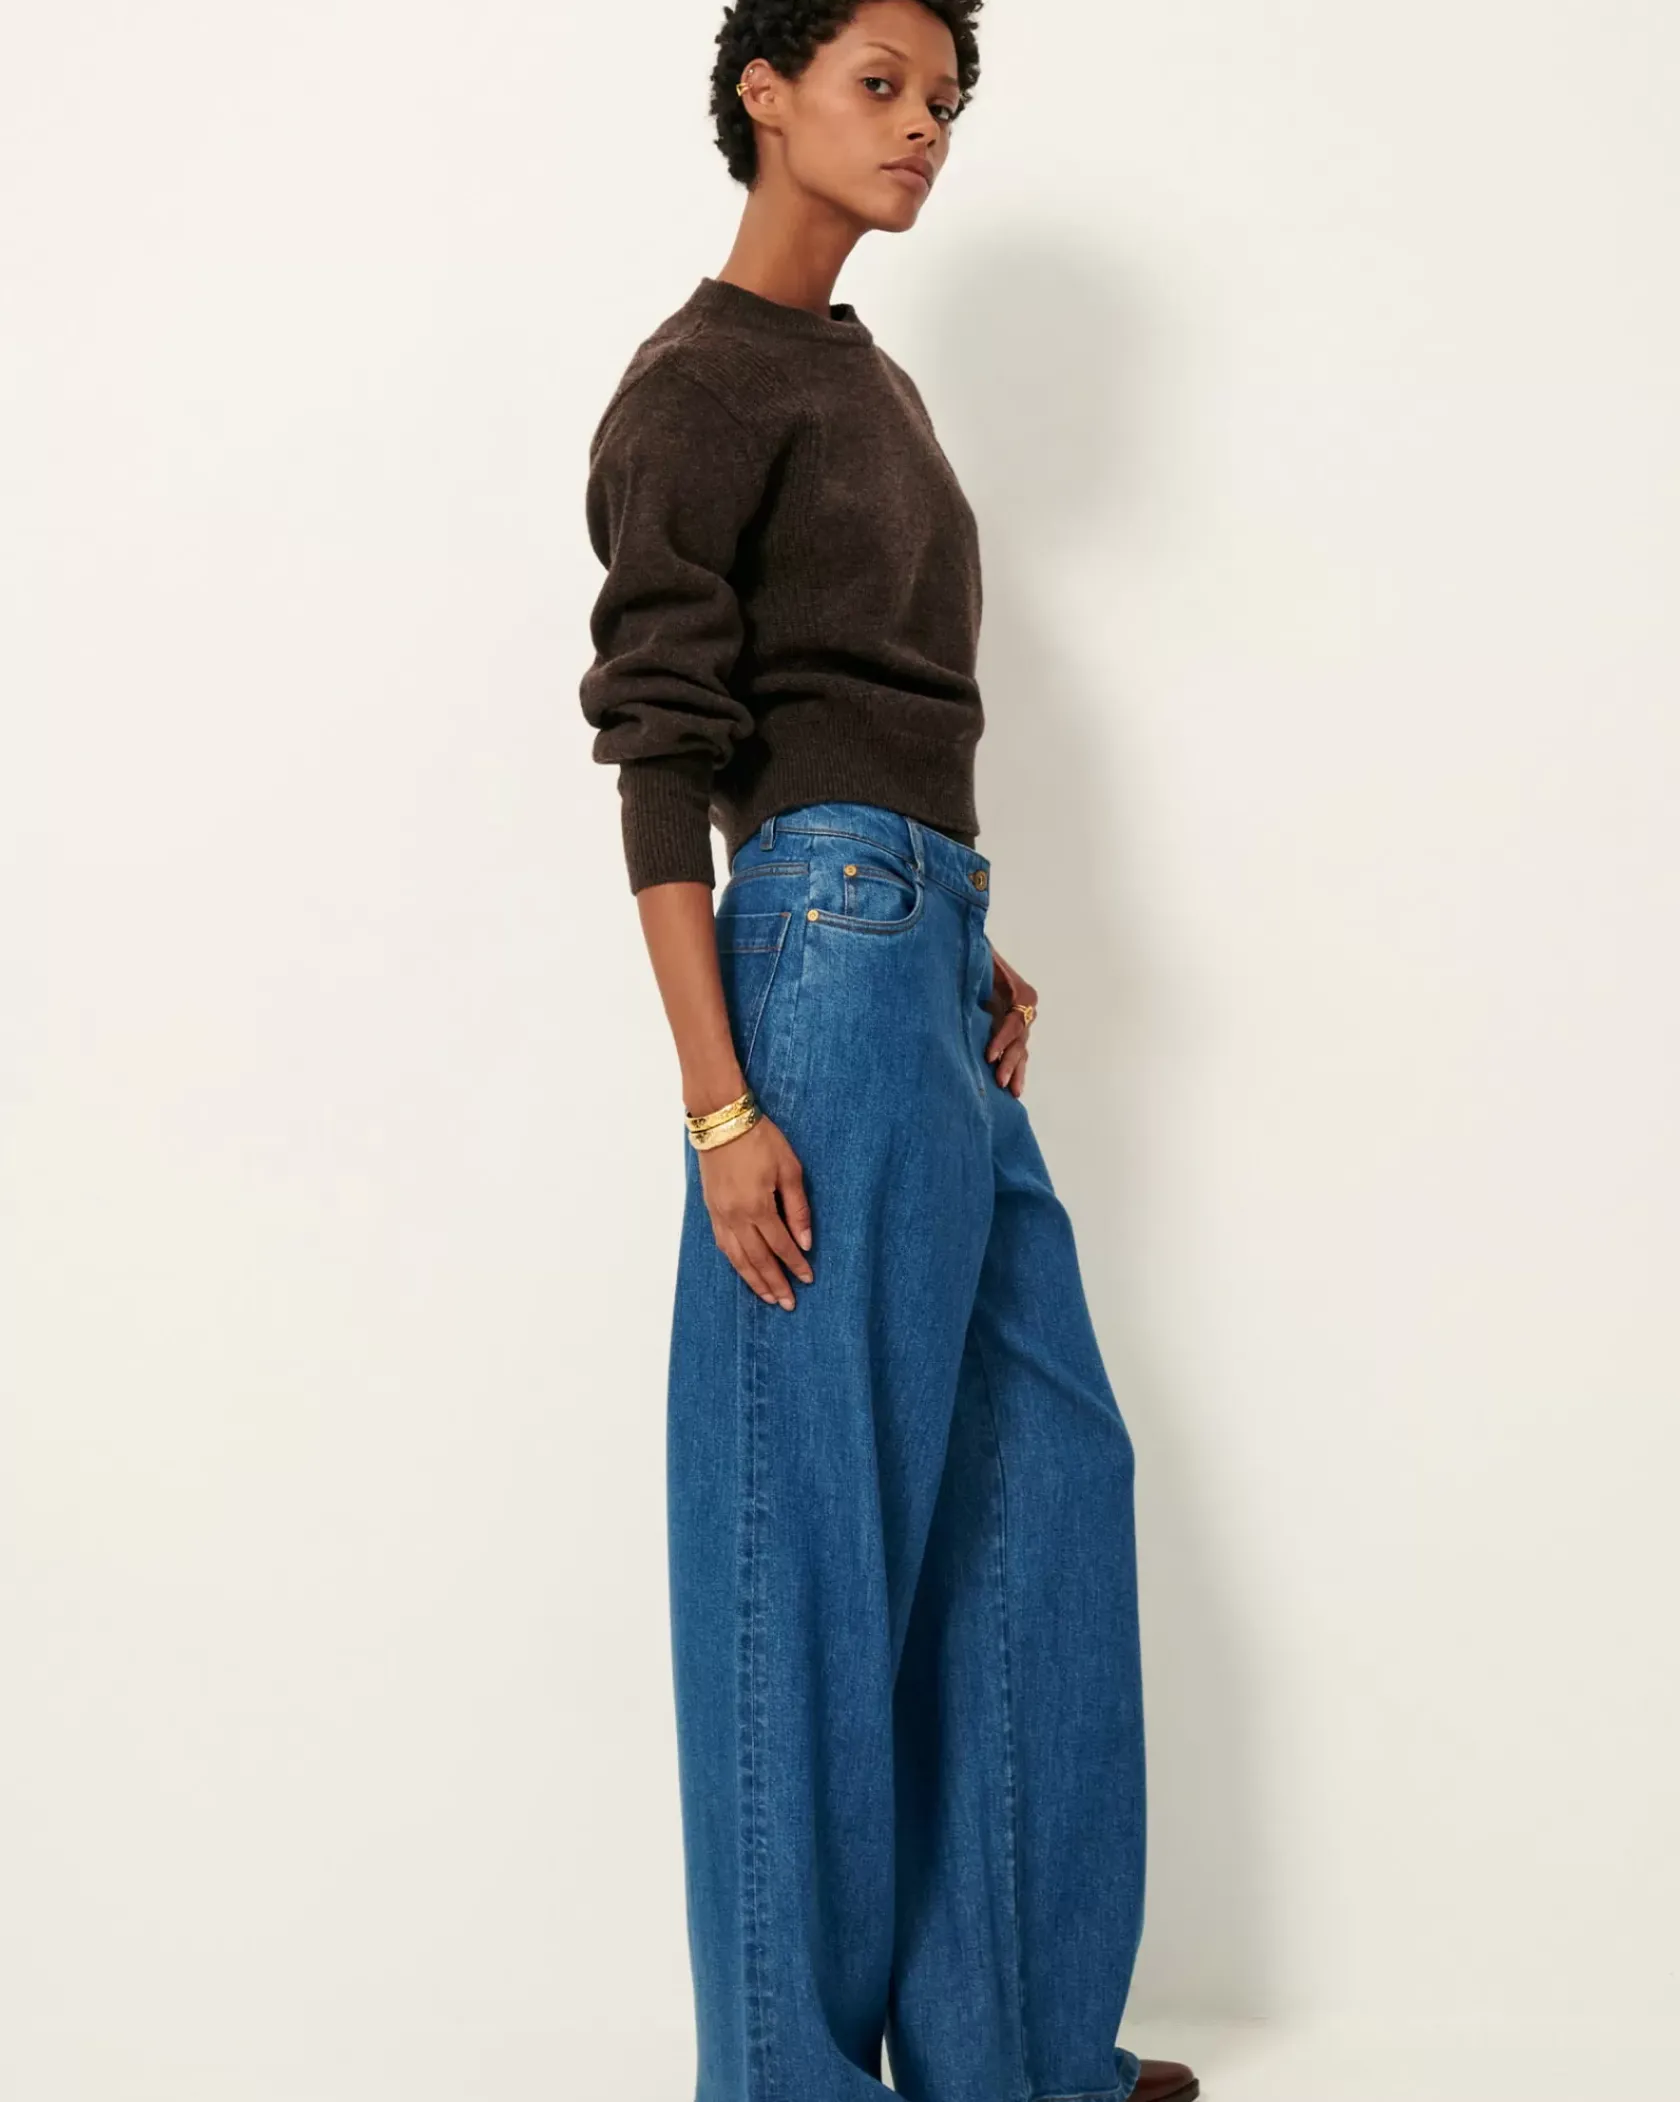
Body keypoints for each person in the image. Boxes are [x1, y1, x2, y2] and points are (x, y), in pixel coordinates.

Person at [578, 6, 1195, 2101]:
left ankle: (1012, 2053)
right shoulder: (697, 385)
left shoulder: (863, 376)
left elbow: (861, 706)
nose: (924, 125)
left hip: (919, 954)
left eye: (946, 100)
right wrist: (720, 1100)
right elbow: (664, 768)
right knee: (805, 1536)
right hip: (818, 977)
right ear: (763, 91)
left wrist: (959, 929)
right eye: (880, 85)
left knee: (1045, 1479)